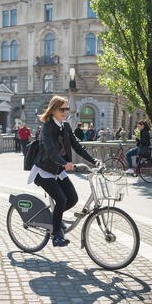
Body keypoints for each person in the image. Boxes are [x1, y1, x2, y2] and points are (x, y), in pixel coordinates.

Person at [29, 95, 100, 247]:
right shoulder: (47, 127)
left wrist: (94, 161)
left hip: (57, 169)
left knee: (72, 199)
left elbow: (77, 146)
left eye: (66, 109)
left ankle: (55, 218)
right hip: (44, 170)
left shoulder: (66, 126)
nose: (65, 111)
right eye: (62, 109)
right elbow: (50, 151)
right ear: (53, 110)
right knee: (61, 199)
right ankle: (56, 236)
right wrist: (65, 163)